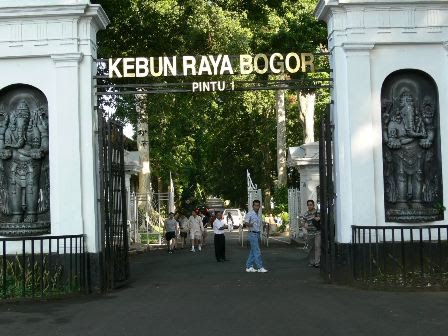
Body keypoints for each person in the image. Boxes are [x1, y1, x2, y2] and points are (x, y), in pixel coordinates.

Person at [243, 200, 268, 273]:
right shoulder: (250, 214)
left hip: (257, 233)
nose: (257, 207)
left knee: (253, 251)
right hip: (252, 234)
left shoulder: (259, 214)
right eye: (255, 205)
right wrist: (250, 225)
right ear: (252, 206)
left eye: (258, 205)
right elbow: (246, 222)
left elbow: (259, 224)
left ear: (259, 206)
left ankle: (249, 266)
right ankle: (260, 267)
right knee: (257, 251)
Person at [301, 200, 321, 268]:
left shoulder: (317, 211)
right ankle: (312, 262)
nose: (310, 206)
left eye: (311, 205)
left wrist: (315, 217)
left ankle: (317, 262)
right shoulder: (305, 214)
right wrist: (304, 225)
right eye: (308, 205)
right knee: (311, 248)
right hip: (310, 233)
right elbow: (302, 223)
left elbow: (319, 218)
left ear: (313, 205)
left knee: (317, 246)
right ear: (307, 206)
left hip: (317, 232)